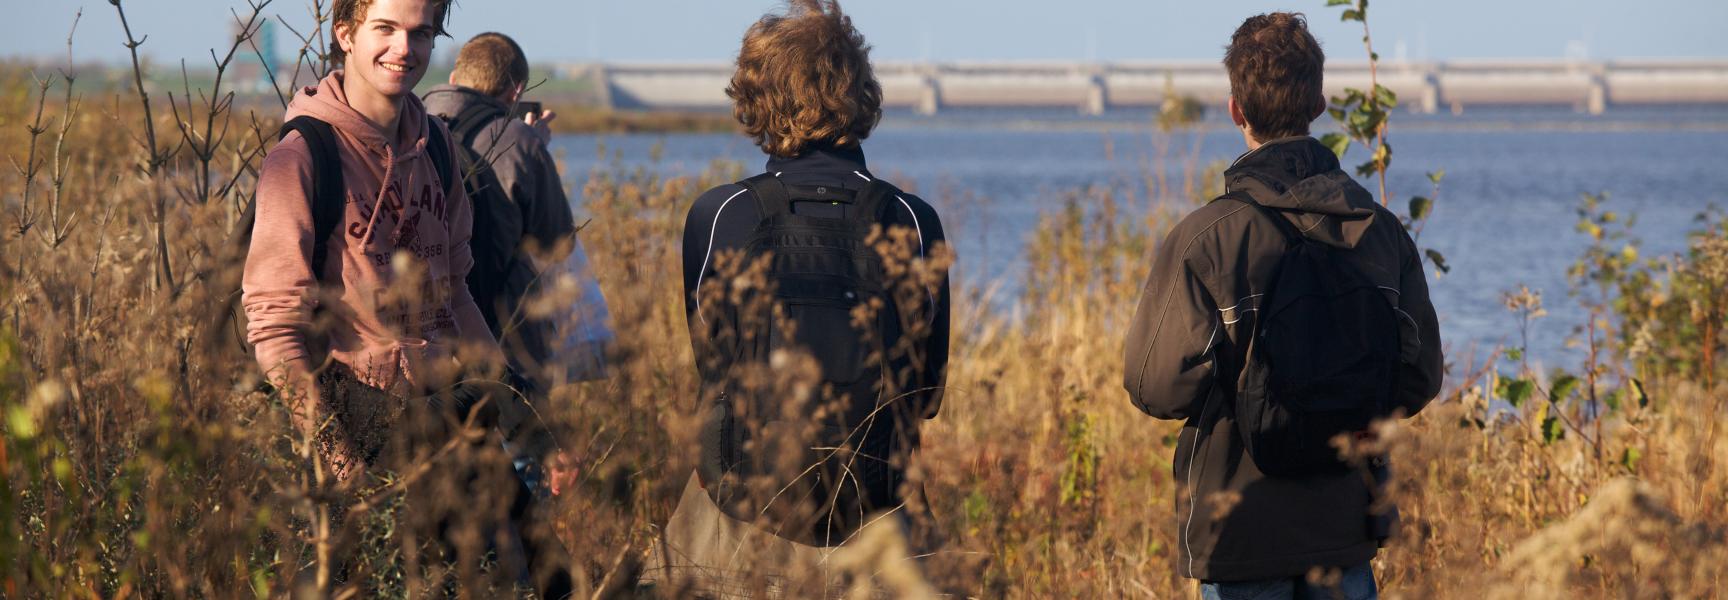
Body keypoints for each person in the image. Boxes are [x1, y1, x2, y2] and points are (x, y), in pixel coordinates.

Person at [1120, 12, 1443, 600]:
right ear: (1319, 104)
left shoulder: (1205, 237)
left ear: (1235, 110)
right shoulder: (1380, 231)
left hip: (1240, 533)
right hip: (1346, 527)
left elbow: (1157, 387)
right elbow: (1418, 379)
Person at [651, 0, 952, 594]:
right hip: (877, 509)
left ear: (756, 97)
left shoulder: (721, 213)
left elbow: (711, 363)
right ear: (861, 92)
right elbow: (929, 388)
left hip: (740, 510)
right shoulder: (914, 220)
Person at [241, 0, 518, 589]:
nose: (403, 49)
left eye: (420, 34)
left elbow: (456, 289)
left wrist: (506, 395)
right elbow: (273, 329)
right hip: (354, 424)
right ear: (345, 33)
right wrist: (339, 465)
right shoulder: (302, 159)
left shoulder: (437, 149)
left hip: (444, 423)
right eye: (385, 29)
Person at [423, 31, 605, 599]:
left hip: (424, 350)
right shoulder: (517, 143)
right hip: (503, 348)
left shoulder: (409, 124)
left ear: (452, 80)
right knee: (523, 505)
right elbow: (554, 246)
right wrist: (532, 150)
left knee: (445, 495)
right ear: (517, 90)